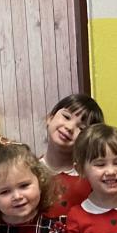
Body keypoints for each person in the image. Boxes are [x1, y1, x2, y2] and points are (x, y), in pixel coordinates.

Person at [43, 93, 104, 222]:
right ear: (50, 118)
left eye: (81, 128)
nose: (69, 127)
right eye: (66, 117)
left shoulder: (91, 181)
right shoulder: (27, 172)